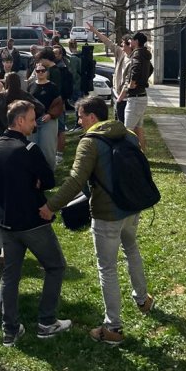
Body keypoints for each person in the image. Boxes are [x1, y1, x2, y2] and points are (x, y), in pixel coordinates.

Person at [39, 94, 154, 346]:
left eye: (80, 117)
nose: (79, 121)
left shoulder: (89, 142)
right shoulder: (128, 134)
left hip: (107, 214)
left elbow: (75, 180)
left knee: (107, 268)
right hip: (132, 207)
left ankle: (113, 328)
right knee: (132, 249)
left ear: (92, 117)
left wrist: (50, 206)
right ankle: (143, 299)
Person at [0, 101, 71, 346]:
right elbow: (48, 179)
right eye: (31, 119)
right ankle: (47, 322)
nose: (34, 123)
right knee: (55, 266)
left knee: (10, 275)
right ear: (19, 121)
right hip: (32, 220)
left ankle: (9, 330)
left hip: (7, 221)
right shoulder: (29, 149)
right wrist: (35, 181)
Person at [27, 61, 63, 172]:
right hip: (33, 121)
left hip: (49, 120)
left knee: (47, 149)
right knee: (32, 147)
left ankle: (49, 173)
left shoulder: (53, 87)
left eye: (43, 70)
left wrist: (50, 115)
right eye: (38, 71)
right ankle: (35, 174)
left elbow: (59, 104)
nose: (40, 73)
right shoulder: (31, 86)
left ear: (47, 72)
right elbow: (27, 103)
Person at [119, 31, 152, 151]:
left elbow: (136, 68)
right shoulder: (145, 53)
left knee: (127, 130)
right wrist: (143, 80)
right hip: (142, 96)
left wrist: (132, 83)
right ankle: (141, 154)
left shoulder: (137, 54)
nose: (130, 41)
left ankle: (128, 155)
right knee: (138, 128)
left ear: (136, 41)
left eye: (131, 40)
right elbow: (151, 69)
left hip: (135, 98)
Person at [93, 26, 133, 124]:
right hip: (116, 94)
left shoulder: (133, 61)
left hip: (125, 98)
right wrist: (95, 31)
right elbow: (108, 42)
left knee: (123, 124)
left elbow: (128, 82)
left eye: (123, 43)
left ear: (129, 45)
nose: (121, 44)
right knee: (117, 122)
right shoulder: (121, 53)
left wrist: (120, 98)